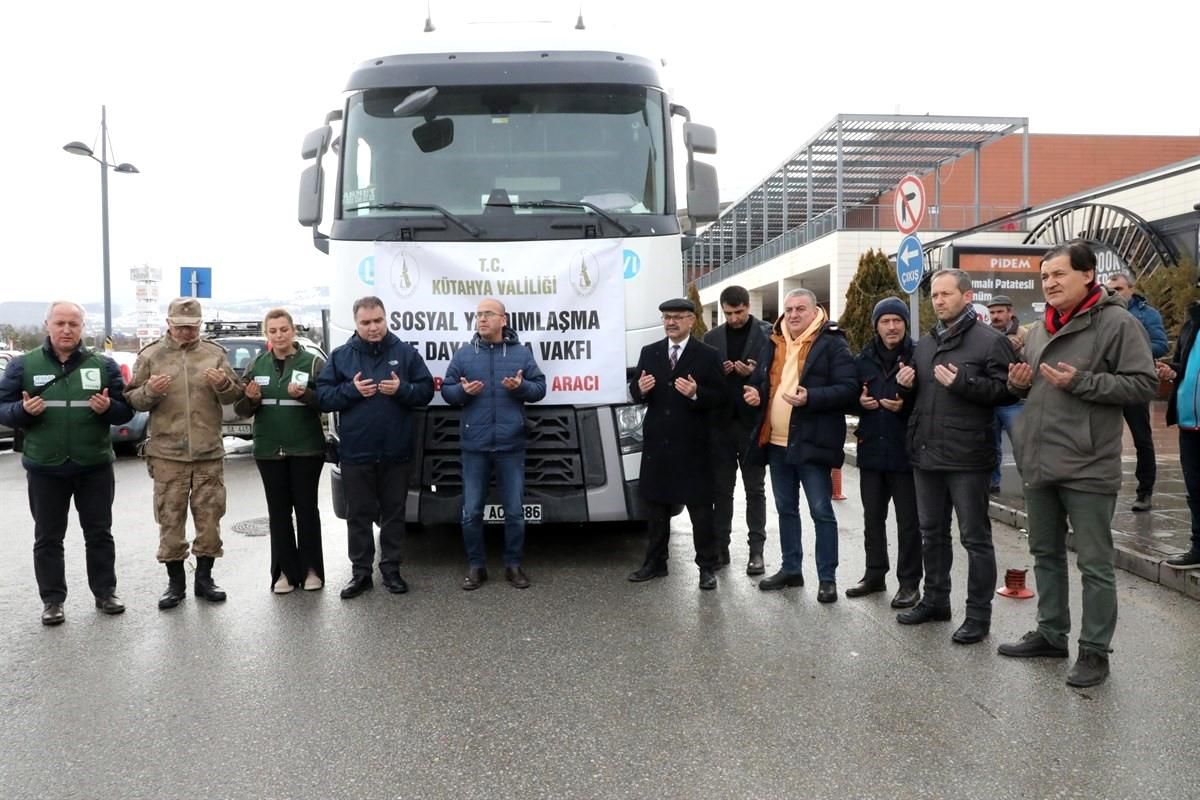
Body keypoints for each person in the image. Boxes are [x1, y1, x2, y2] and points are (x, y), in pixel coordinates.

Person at [998, 242, 1157, 688]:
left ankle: (1095, 652)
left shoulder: (1117, 324)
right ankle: (1051, 633)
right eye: (1044, 276)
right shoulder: (1038, 330)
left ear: (1088, 275)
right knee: (1044, 553)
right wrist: (1019, 385)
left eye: (1059, 275)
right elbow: (1034, 392)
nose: (1049, 283)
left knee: (1094, 563)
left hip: (1088, 463)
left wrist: (1083, 381)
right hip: (1040, 460)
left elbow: (1144, 384)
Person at [895, 270, 1016, 644]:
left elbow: (1006, 392)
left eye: (946, 294)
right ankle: (935, 600)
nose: (939, 301)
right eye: (934, 295)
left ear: (967, 296)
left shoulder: (990, 341)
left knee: (974, 539)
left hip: (967, 457)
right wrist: (908, 385)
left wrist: (964, 383)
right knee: (931, 534)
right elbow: (922, 397)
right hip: (926, 453)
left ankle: (978, 616)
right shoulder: (926, 344)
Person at [0, 301, 134, 625]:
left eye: (73, 324)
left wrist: (108, 409)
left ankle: (105, 593)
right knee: (48, 537)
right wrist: (21, 413)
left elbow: (125, 410)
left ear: (82, 328)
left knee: (99, 533)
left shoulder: (103, 364)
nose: (66, 329)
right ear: (48, 324)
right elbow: (2, 408)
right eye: (60, 323)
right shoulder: (23, 365)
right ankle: (52, 601)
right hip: (46, 467)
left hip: (94, 464)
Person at [126, 297, 244, 609]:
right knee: (170, 518)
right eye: (180, 327)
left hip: (207, 451)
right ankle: (175, 582)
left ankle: (205, 579)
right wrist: (150, 390)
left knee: (209, 518)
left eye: (192, 327)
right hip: (167, 454)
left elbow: (235, 395)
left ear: (200, 325)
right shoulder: (151, 356)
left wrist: (222, 385)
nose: (186, 333)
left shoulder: (214, 354)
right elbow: (133, 400)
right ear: (169, 323)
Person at [743, 288, 858, 603]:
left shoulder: (832, 343)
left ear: (814, 311)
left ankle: (827, 578)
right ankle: (791, 569)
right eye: (789, 309)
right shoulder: (774, 340)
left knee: (821, 511)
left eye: (800, 309)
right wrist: (755, 393)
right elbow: (761, 381)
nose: (793, 315)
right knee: (785, 510)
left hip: (812, 442)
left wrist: (812, 397)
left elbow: (849, 389)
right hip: (777, 443)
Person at [317, 296, 433, 599]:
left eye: (377, 321)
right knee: (358, 515)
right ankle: (361, 574)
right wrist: (351, 390)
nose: (373, 327)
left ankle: (392, 570)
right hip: (357, 452)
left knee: (394, 514)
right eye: (366, 322)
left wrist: (402, 389)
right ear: (356, 324)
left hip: (396, 451)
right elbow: (324, 397)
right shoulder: (342, 356)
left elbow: (425, 392)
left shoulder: (405, 353)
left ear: (386, 319)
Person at [442, 298, 546, 590]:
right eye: (478, 315)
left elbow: (540, 388)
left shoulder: (521, 353)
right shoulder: (463, 354)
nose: (482, 319)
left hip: (511, 445)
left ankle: (513, 565)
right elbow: (447, 391)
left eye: (488, 314)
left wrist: (521, 388)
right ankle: (477, 566)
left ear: (504, 319)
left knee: (514, 511)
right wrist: (462, 392)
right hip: (474, 445)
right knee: (472, 510)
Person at [626, 297, 724, 590]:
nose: (671, 322)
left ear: (691, 321)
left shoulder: (707, 355)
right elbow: (637, 390)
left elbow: (722, 399)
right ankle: (655, 563)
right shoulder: (651, 352)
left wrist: (696, 394)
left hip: (693, 446)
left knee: (700, 511)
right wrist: (638, 390)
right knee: (655, 509)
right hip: (658, 445)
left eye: (677, 317)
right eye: (666, 317)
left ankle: (707, 567)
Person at [233, 308, 327, 594]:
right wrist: (249, 400)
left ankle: (312, 570)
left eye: (283, 329)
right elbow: (240, 409)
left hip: (306, 448)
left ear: (292, 330)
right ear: (267, 334)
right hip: (269, 449)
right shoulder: (256, 365)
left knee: (307, 509)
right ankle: (284, 572)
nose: (279, 335)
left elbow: (328, 401)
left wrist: (307, 395)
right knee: (278, 513)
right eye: (273, 331)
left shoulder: (313, 363)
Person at [847, 297, 921, 608]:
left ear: (905, 324)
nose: (892, 327)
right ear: (876, 326)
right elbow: (850, 396)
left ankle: (909, 583)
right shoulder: (862, 359)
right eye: (885, 321)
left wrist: (906, 403)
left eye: (897, 321)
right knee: (873, 518)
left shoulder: (919, 356)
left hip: (906, 452)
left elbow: (928, 401)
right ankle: (875, 574)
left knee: (908, 522)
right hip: (872, 451)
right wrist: (857, 404)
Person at [702, 285, 772, 575]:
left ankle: (757, 552)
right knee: (722, 491)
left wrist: (752, 374)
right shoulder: (711, 338)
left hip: (752, 424)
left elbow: (775, 377)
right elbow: (705, 381)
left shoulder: (767, 334)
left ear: (748, 307)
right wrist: (722, 372)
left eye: (739, 312)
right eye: (728, 313)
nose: (733, 319)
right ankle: (721, 548)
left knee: (755, 490)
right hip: (721, 426)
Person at [1105, 271, 1168, 511]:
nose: (1114, 294)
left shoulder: (1147, 314)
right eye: (1110, 290)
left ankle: (1145, 492)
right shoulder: (1103, 313)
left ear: (1131, 289)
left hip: (1134, 383)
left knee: (1142, 439)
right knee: (1099, 436)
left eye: (1119, 289)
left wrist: (1129, 348)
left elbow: (1160, 345)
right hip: (1107, 383)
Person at [1153, 300, 1200, 568]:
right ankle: (1198, 547)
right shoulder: (1192, 323)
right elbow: (1184, 366)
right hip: (1189, 423)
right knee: (1195, 490)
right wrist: (1172, 370)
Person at [987, 295, 1025, 494]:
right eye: (992, 312)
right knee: (991, 446)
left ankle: (1029, 484)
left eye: (1000, 311)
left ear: (1010, 312)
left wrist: (1019, 352)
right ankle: (993, 484)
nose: (995, 316)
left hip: (1015, 401)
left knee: (1022, 444)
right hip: (993, 399)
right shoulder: (985, 336)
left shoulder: (1025, 334)